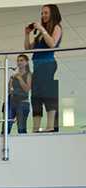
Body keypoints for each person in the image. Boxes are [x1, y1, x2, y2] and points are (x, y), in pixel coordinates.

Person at [25, 4, 62, 132]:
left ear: (53, 14)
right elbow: (28, 48)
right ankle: (36, 128)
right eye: (42, 13)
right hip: (38, 65)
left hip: (48, 63)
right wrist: (27, 34)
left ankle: (50, 126)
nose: (43, 15)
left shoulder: (56, 27)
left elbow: (52, 44)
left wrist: (42, 29)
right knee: (36, 96)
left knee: (47, 93)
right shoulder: (41, 32)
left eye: (46, 13)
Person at [8, 54, 32, 134]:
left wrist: (19, 78)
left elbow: (27, 89)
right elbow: (10, 91)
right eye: (18, 60)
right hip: (12, 102)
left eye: (21, 60)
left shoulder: (29, 74)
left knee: (21, 128)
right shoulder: (14, 76)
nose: (19, 62)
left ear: (26, 62)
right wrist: (11, 82)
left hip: (22, 102)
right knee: (7, 125)